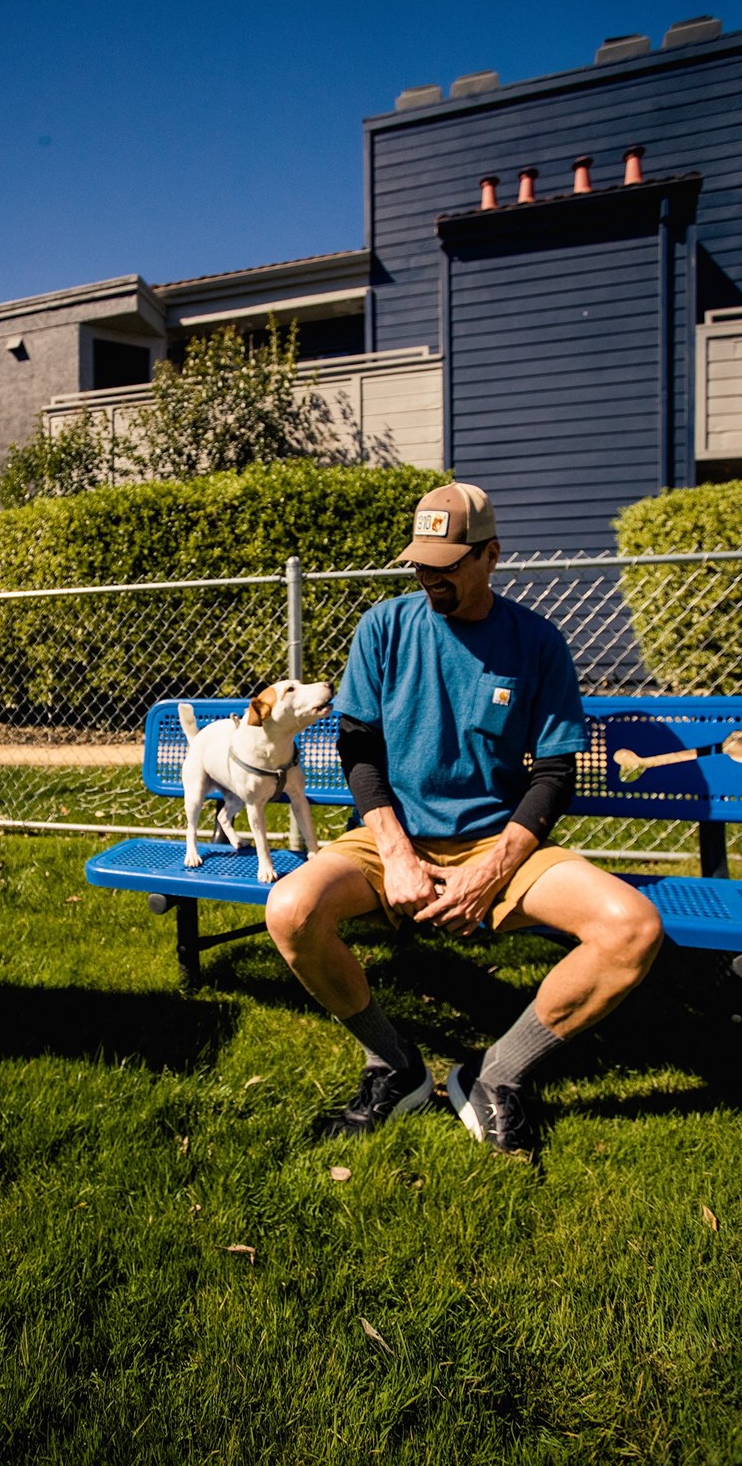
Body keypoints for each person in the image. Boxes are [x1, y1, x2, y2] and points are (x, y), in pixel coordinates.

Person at [265, 482, 663, 1156]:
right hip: (392, 837)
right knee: (290, 910)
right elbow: (359, 745)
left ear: (490, 556)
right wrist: (394, 851)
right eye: (420, 563)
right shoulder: (386, 627)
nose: (429, 578)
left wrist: (491, 870)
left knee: (632, 929)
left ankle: (494, 1078)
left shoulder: (536, 643)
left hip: (498, 843)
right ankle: (396, 1067)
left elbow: (555, 772)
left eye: (446, 564)